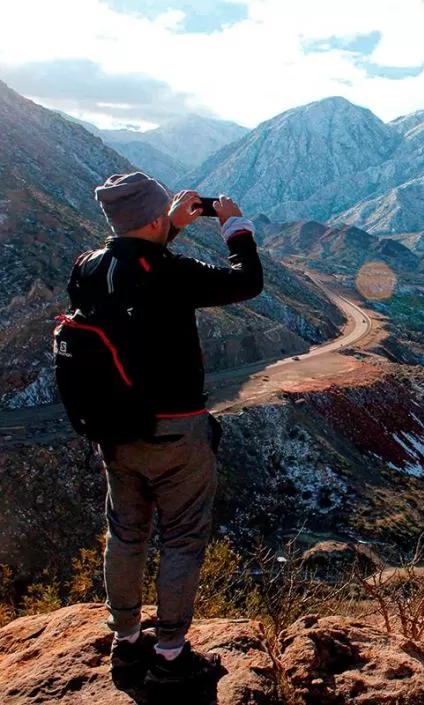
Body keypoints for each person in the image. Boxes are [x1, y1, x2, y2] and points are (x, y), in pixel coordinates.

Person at [75, 172, 263, 687]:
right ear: (156, 218)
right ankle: (171, 655)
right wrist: (234, 226)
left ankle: (127, 643)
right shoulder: (169, 270)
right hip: (177, 430)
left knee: (126, 533)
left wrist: (168, 228)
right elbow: (247, 281)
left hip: (114, 430)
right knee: (182, 539)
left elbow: (134, 270)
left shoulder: (88, 269)